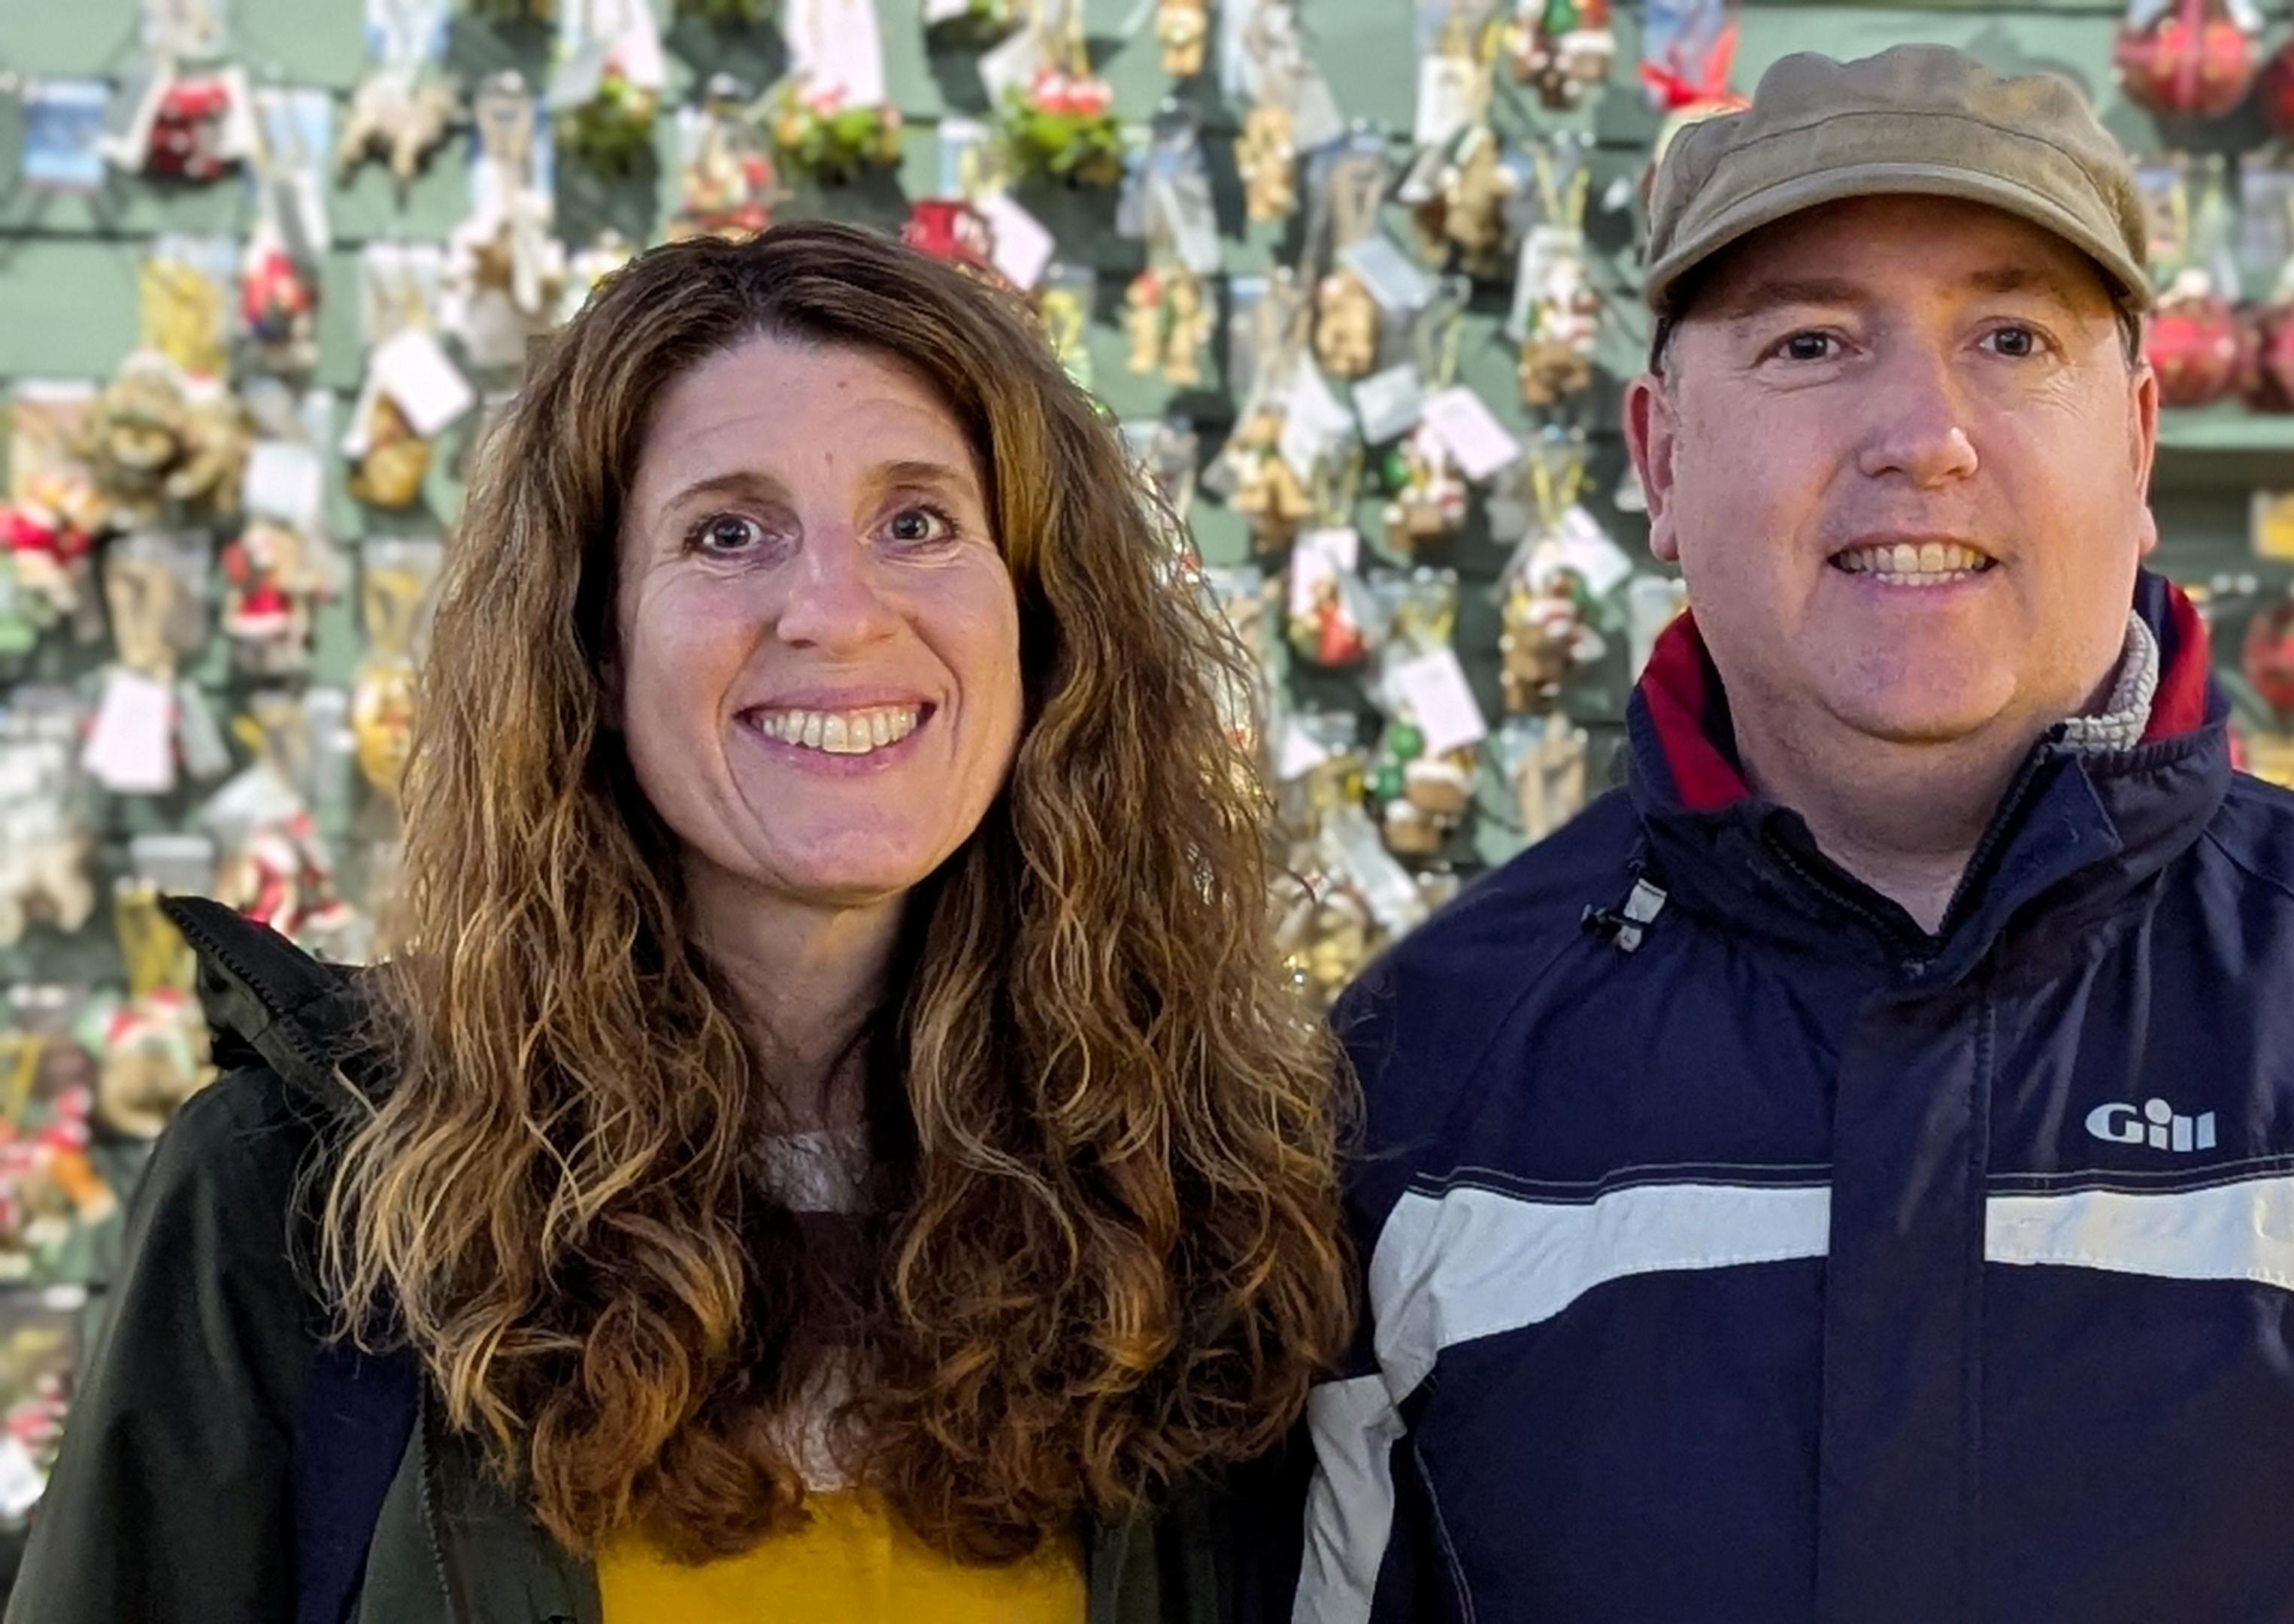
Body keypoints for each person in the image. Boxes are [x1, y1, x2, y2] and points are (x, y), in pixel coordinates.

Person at [1283, 46, 2294, 1623]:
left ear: (2138, 442)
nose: (1924, 431)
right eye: (1809, 345)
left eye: (2010, 336)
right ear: (1659, 458)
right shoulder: (1432, 1066)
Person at [14, 222, 1350, 1623]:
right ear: (594, 645)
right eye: (727, 532)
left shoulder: (1203, 1204)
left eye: (917, 522)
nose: (836, 612)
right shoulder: (313, 1206)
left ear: (1037, 618)